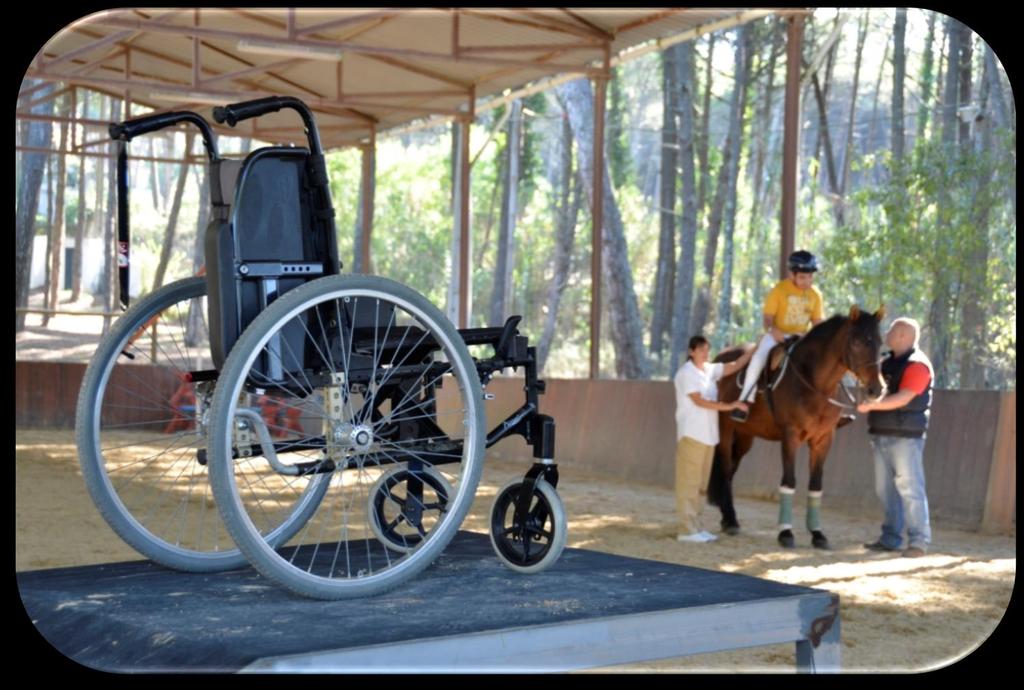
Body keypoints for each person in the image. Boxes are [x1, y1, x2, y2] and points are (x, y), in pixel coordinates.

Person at [857, 317, 934, 558]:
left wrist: (871, 407)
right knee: (885, 490)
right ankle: (890, 538)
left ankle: (918, 541)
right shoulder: (887, 363)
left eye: (891, 330)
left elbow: (903, 398)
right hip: (882, 433)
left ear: (903, 335)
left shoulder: (917, 365)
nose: (887, 333)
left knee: (910, 488)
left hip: (905, 437)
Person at [674, 335, 754, 542]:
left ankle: (697, 526)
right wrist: (731, 406)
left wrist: (756, 349)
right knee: (689, 483)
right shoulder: (686, 374)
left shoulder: (708, 370)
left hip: (708, 436)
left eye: (707, 350)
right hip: (692, 433)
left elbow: (735, 365)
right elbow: (699, 401)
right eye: (701, 350)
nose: (705, 354)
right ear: (692, 352)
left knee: (701, 484)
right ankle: (686, 529)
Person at [731, 250, 824, 423]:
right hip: (777, 335)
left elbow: (817, 322)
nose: (808, 281)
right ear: (792, 275)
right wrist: (774, 331)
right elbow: (767, 319)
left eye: (810, 277)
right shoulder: (779, 290)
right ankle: (744, 400)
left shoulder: (815, 295)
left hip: (801, 337)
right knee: (758, 359)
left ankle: (826, 405)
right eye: (803, 277)